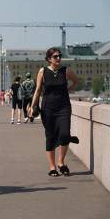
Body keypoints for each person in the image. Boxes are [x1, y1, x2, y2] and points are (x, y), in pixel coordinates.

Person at [29, 47, 79, 177]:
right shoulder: (43, 71)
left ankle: (61, 162)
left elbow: (76, 81)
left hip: (63, 107)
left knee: (64, 134)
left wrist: (67, 90)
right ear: (49, 59)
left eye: (59, 56)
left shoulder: (66, 71)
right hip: (48, 108)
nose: (58, 58)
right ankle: (52, 167)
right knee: (50, 136)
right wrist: (32, 106)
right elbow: (38, 90)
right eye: (55, 56)